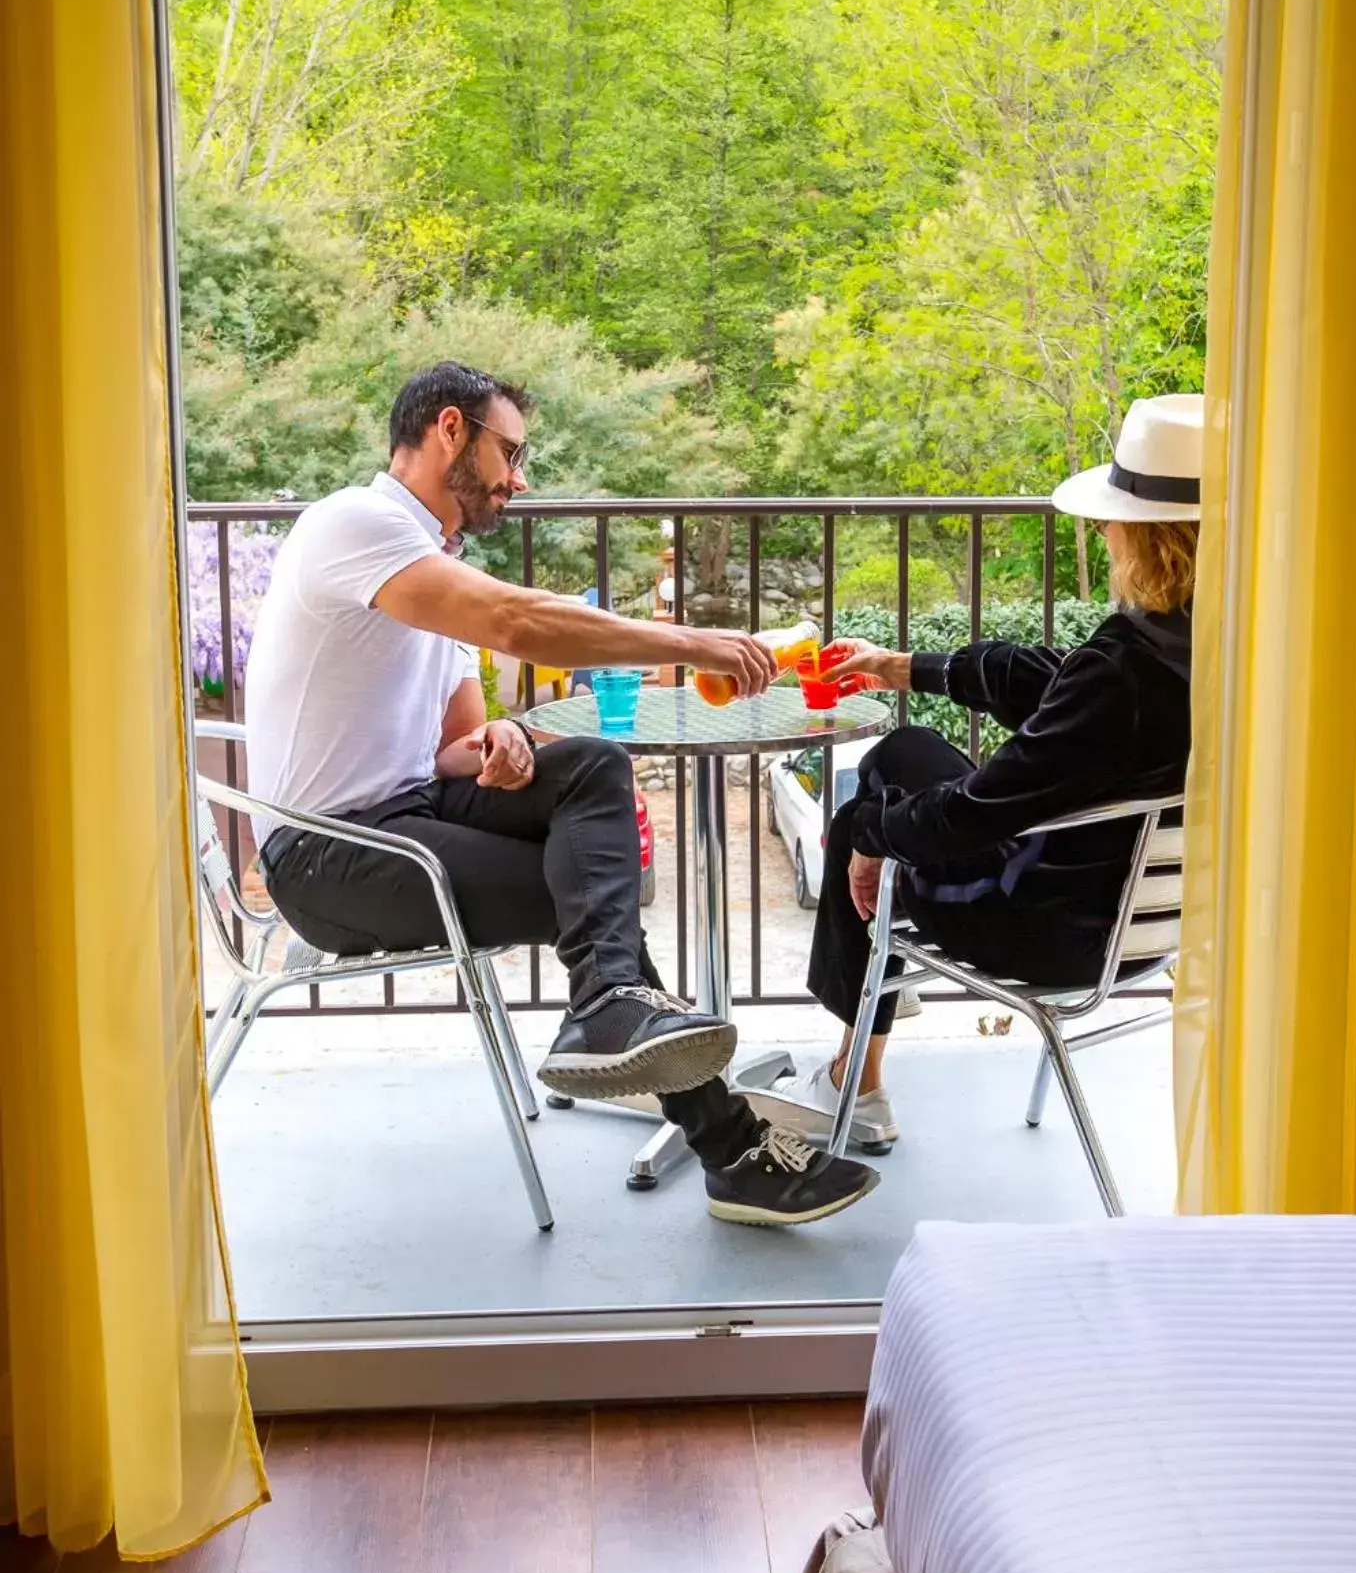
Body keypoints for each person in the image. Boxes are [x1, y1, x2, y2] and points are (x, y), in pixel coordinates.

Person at [242, 360, 879, 1227]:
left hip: (407, 816)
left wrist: (498, 743)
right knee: (589, 896)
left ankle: (617, 1013)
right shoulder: (356, 525)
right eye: (512, 452)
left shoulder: (429, 561)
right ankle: (719, 1136)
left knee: (589, 768)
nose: (520, 478)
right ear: (451, 431)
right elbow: (515, 619)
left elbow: (452, 747)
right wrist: (694, 642)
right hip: (331, 858)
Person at [749, 394, 1201, 1145]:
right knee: (903, 752)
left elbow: (975, 811)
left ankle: (854, 1077)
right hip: (1148, 926)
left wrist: (866, 834)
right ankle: (869, 1008)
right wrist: (899, 668)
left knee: (866, 814)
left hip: (1044, 926)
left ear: (1146, 537)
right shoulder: (1213, 646)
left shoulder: (1123, 673)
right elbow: (1046, 677)